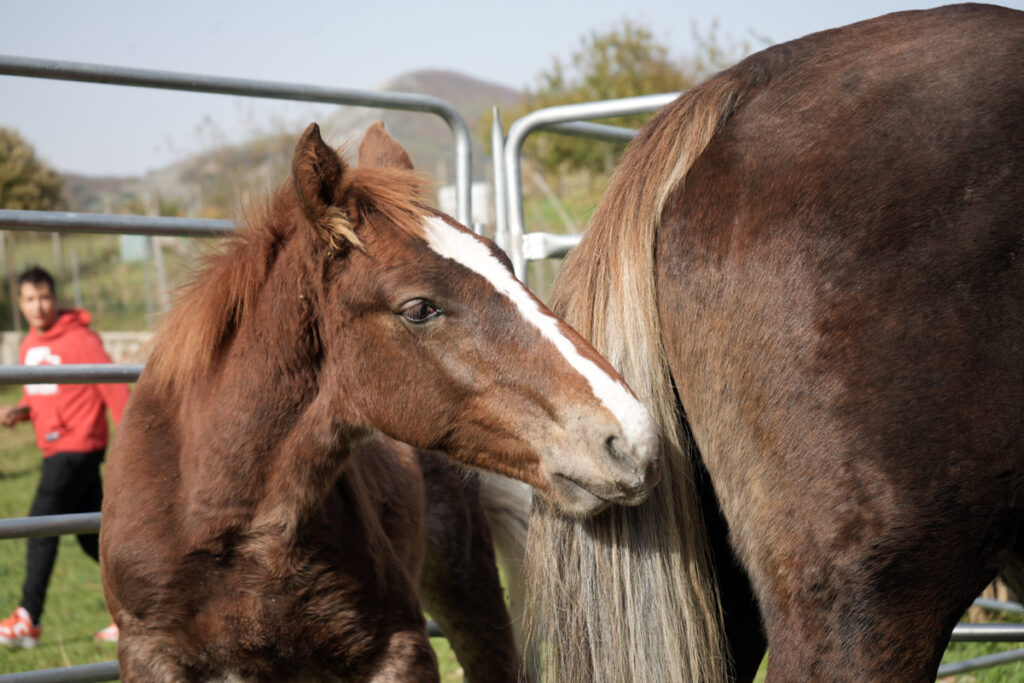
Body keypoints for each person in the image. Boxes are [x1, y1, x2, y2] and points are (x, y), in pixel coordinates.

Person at [0, 266, 129, 649]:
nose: (38, 306)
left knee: (39, 524)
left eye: (44, 297)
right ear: (19, 303)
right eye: (29, 299)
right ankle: (134, 614)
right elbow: (43, 393)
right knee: (94, 538)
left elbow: (116, 391)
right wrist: (19, 412)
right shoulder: (27, 346)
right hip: (54, 448)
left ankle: (28, 618)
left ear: (54, 299)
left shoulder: (81, 340)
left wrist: (131, 446)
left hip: (78, 448)